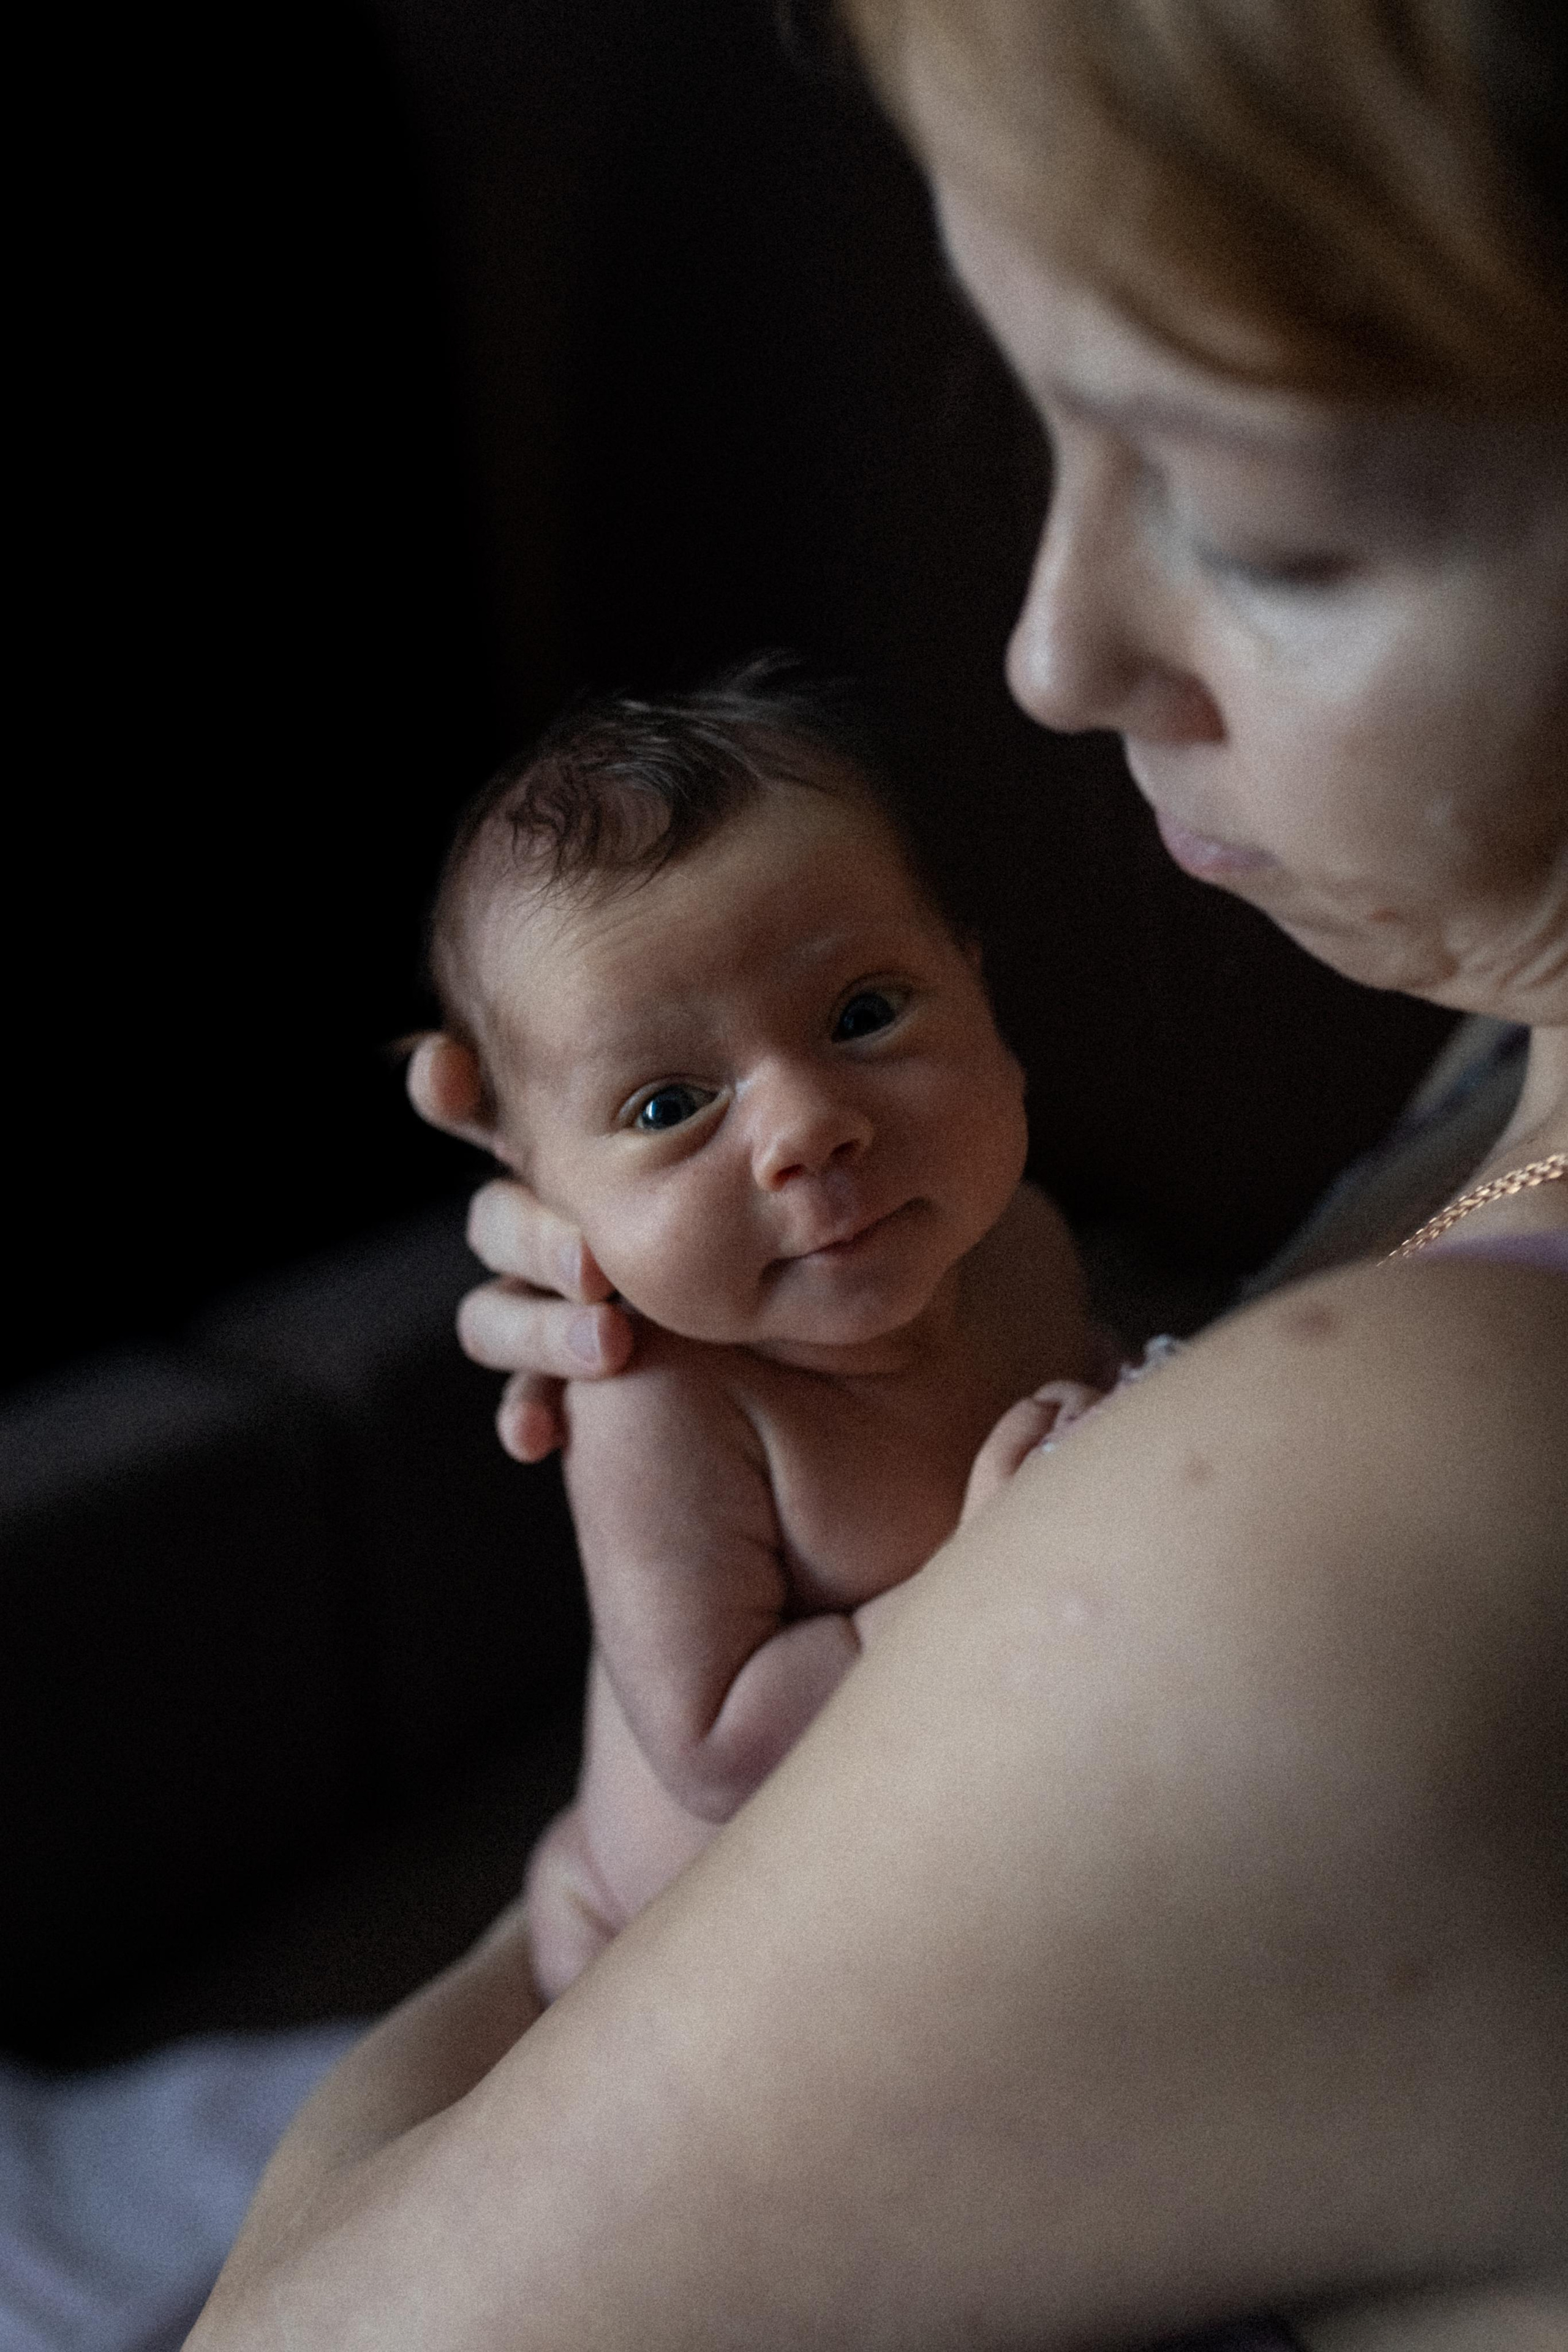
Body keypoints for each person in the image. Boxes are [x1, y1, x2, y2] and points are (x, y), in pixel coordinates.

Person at [192, 4, 1568, 2345]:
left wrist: (611, 1906)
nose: (1054, 650)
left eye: (1258, 523)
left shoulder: (1391, 1525)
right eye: (1037, 417)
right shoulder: (1506, 1044)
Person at [423, 673, 1104, 1999]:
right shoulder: (659, 1402)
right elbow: (717, 1742)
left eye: (864, 1014)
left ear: (978, 992)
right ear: (536, 1187)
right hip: (664, 1953)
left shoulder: (1017, 1238)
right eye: (671, 1102)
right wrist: (985, 1567)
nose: (803, 1127)